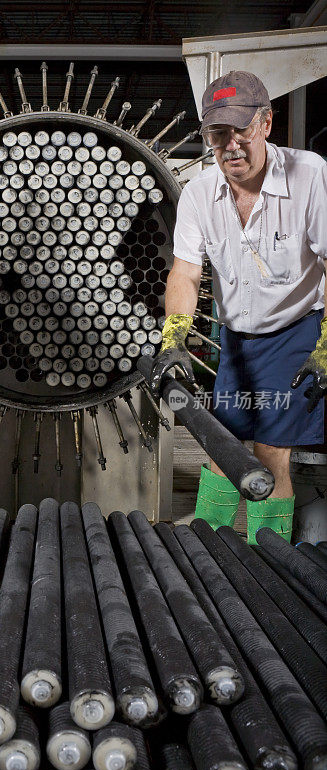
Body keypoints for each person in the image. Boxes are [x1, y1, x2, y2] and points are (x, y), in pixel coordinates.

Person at [150, 71, 327, 543]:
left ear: (266, 124)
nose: (231, 145)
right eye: (218, 133)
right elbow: (184, 272)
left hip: (295, 333)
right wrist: (174, 340)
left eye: (241, 130)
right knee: (220, 449)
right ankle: (212, 557)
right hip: (236, 340)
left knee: (270, 454)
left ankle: (272, 567)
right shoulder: (199, 193)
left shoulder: (309, 176)